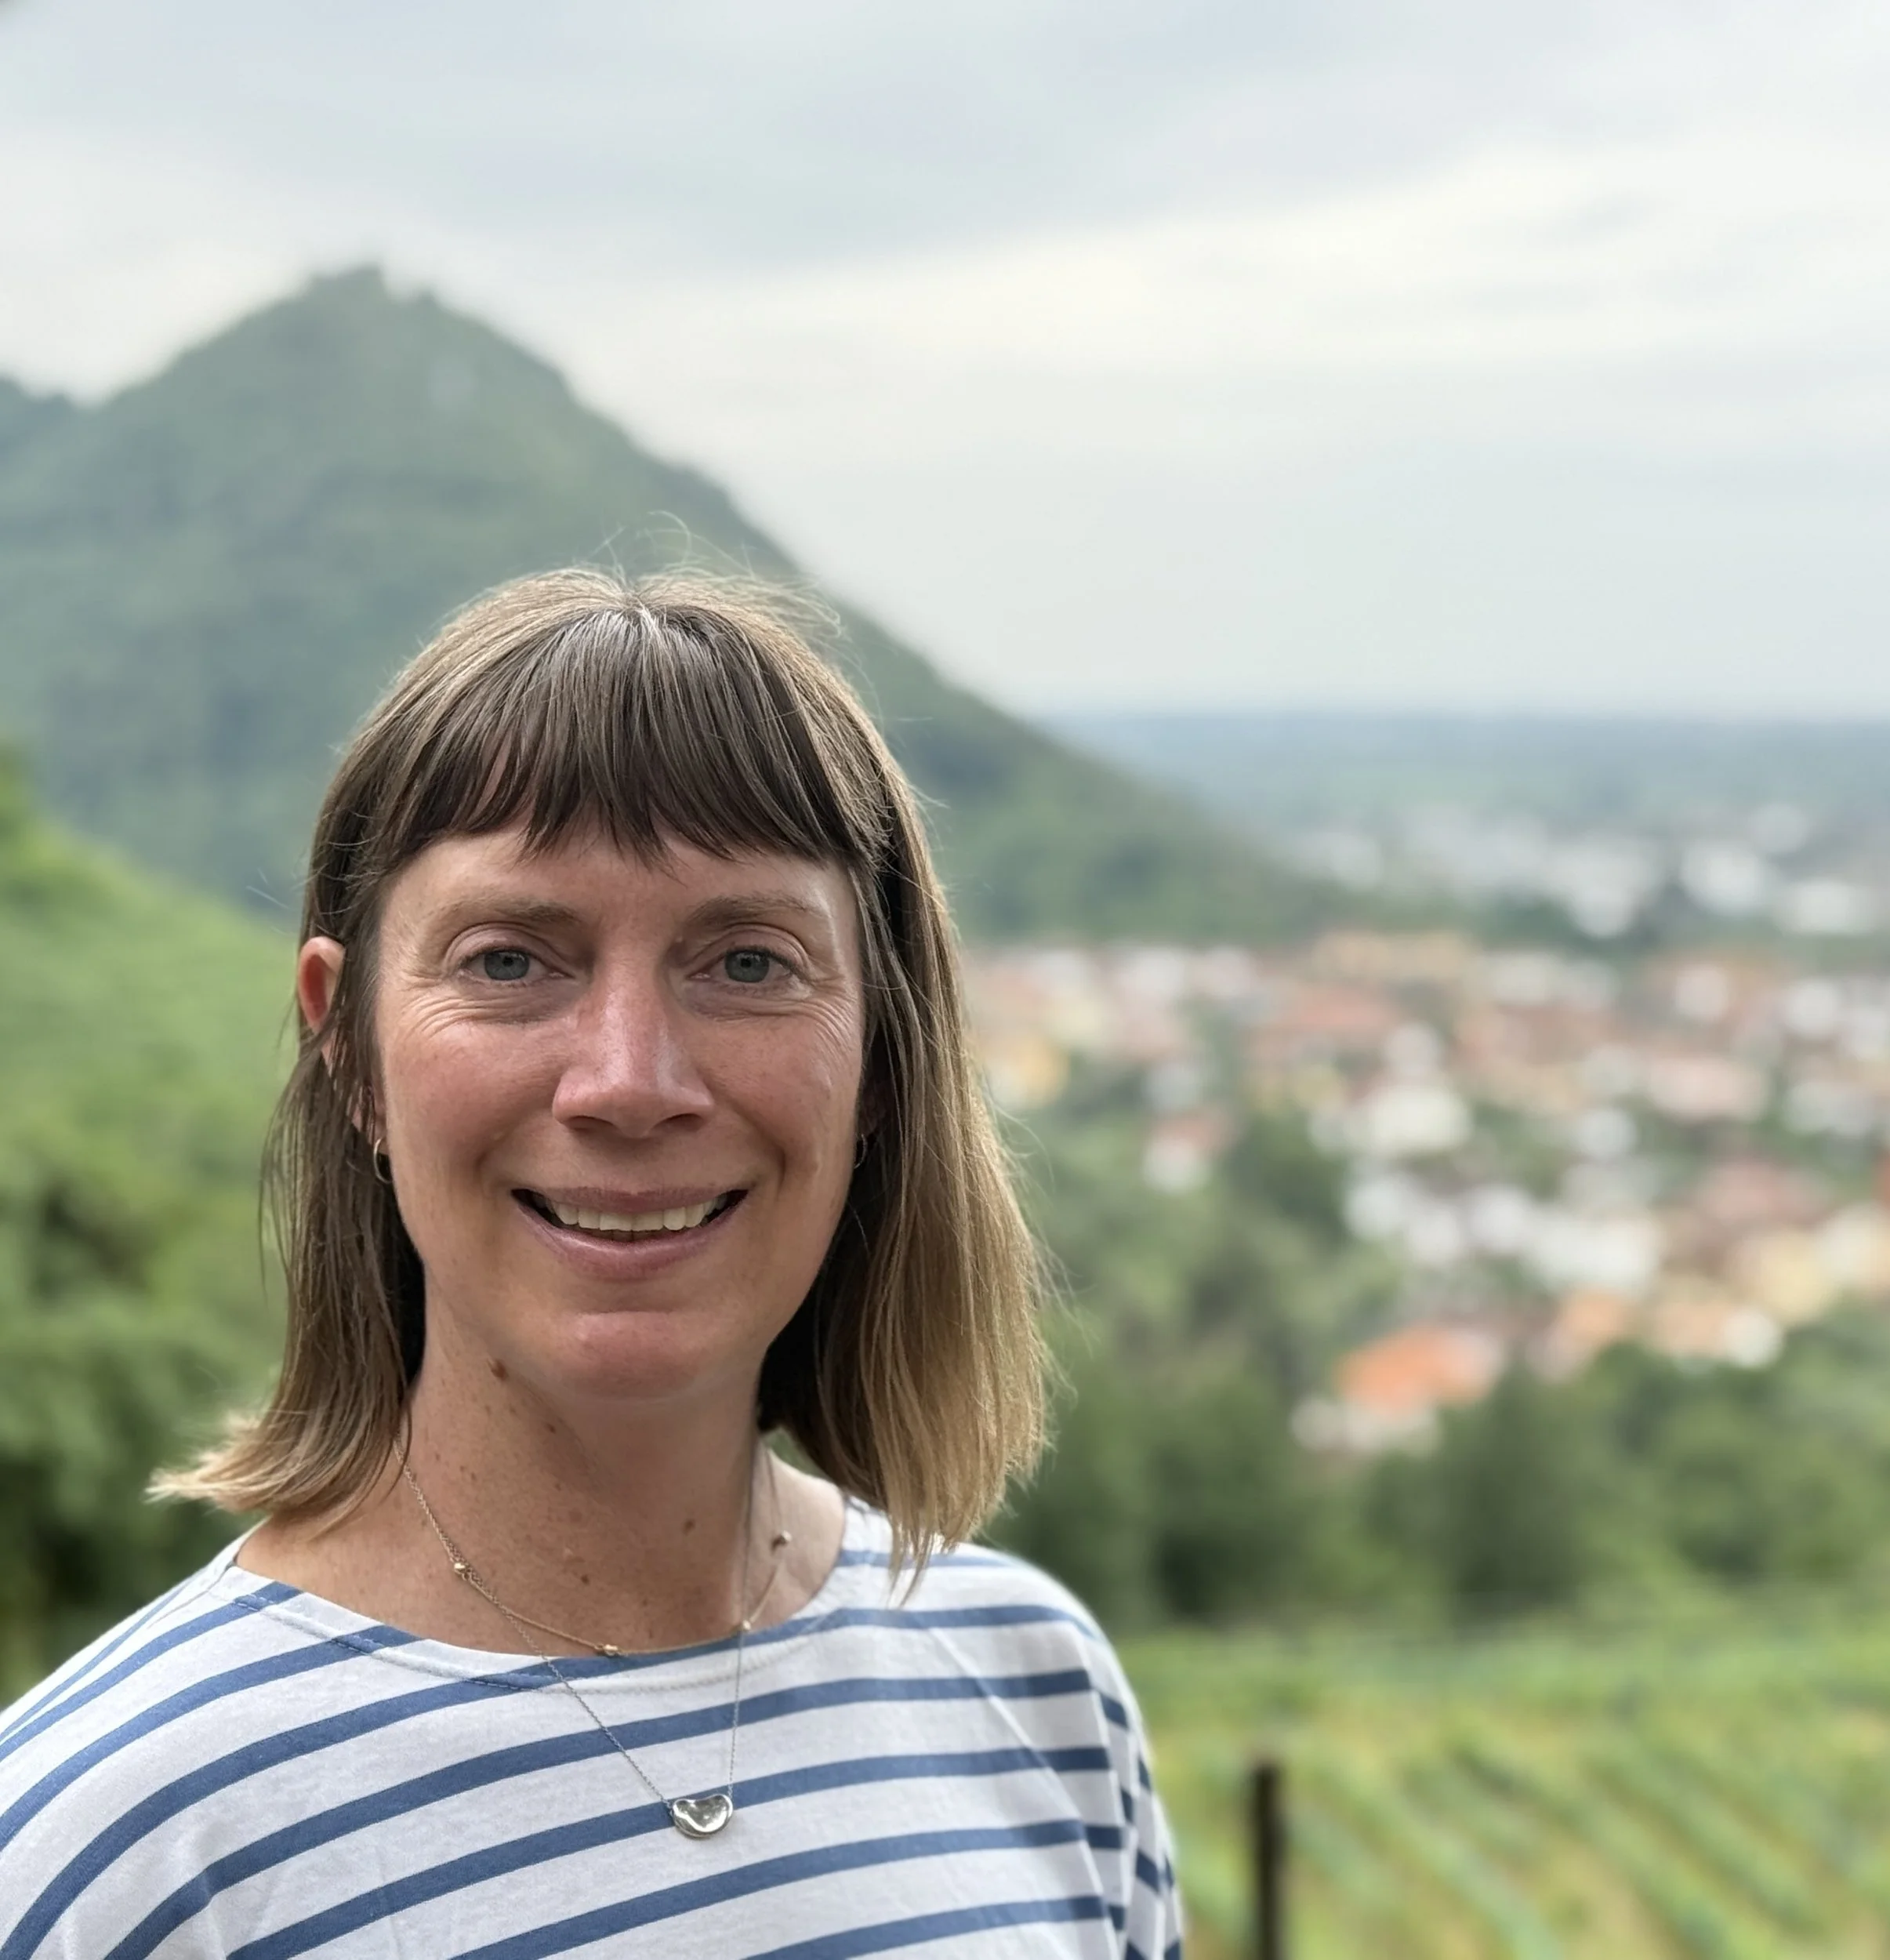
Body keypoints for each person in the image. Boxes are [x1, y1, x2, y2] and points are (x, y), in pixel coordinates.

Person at [0, 572, 1183, 1958]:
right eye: (510, 961)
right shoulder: (108, 1851)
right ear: (349, 1049)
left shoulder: (1035, 1697)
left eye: (746, 962)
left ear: (883, 1055)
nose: (630, 1083)